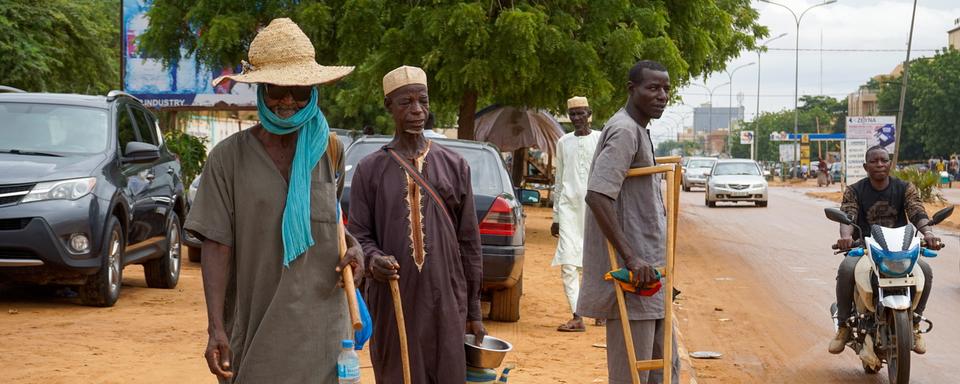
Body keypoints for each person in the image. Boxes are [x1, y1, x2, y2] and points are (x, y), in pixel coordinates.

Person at [183, 18, 363, 383]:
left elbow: (332, 222)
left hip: (324, 331)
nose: (287, 100)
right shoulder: (227, 158)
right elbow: (217, 246)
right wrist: (215, 328)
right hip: (255, 326)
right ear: (260, 91)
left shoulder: (330, 150)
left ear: (312, 91)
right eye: (276, 90)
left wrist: (356, 248)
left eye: (298, 90)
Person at [348, 65, 486, 383]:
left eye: (422, 101)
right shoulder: (370, 170)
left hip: (446, 300)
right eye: (405, 103)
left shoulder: (455, 166)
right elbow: (358, 236)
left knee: (447, 372)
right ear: (388, 107)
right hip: (393, 298)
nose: (417, 111)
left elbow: (469, 243)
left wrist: (474, 311)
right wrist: (372, 259)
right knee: (398, 373)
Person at [577, 60, 679, 384]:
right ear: (631, 89)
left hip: (652, 279)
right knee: (632, 375)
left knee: (664, 370)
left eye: (666, 89)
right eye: (652, 88)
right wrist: (632, 257)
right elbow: (597, 195)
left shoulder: (639, 130)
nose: (661, 95)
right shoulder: (623, 131)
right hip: (632, 282)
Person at [829, 145, 943, 357]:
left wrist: (927, 233)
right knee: (846, 269)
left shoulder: (904, 188)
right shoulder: (855, 190)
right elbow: (848, 216)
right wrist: (846, 237)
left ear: (890, 164)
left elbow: (917, 211)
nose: (879, 164)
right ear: (865, 166)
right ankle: (844, 327)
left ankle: (915, 323)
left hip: (901, 249)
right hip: (865, 248)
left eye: (883, 160)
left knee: (925, 270)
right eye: (874, 161)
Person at [552, 96, 602, 332]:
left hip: (596, 210)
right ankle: (577, 315)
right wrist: (556, 217)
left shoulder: (600, 138)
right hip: (569, 210)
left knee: (597, 262)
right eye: (573, 114)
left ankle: (600, 310)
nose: (577, 118)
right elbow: (559, 180)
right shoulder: (563, 142)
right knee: (568, 264)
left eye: (581, 113)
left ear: (589, 113)